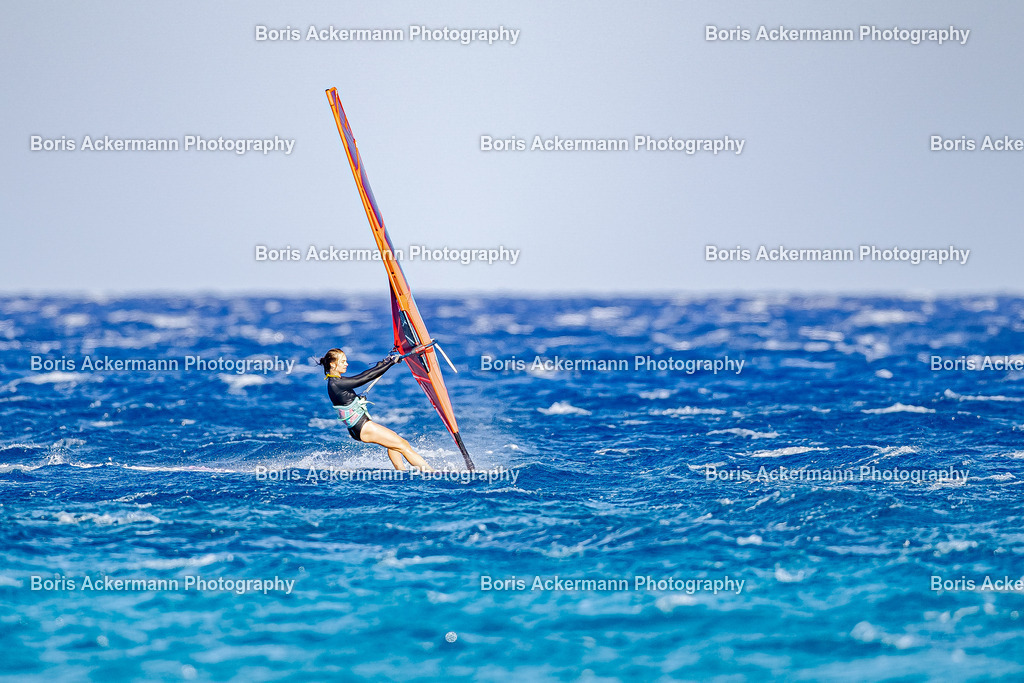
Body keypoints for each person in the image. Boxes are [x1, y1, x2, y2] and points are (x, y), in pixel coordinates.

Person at [318, 348, 434, 471]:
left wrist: (383, 363)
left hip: (358, 427)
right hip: (362, 426)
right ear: (332, 364)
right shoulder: (336, 383)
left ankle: (401, 473)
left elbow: (363, 375)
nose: (346, 364)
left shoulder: (335, 381)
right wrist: (390, 363)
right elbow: (365, 378)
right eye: (342, 362)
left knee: (394, 444)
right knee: (403, 445)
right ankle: (431, 473)